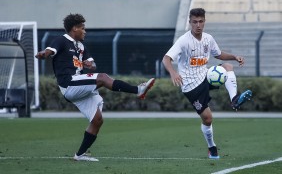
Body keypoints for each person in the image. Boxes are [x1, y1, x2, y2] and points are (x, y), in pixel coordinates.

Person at [35, 13, 155, 161]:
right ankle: (138, 90)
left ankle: (80, 155)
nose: (85, 31)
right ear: (74, 29)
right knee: (103, 77)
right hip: (69, 83)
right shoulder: (61, 40)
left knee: (97, 120)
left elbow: (92, 64)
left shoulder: (81, 46)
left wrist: (90, 64)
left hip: (78, 86)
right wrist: (43, 53)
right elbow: (50, 51)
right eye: (83, 28)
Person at [162, 8, 252, 159]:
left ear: (204, 22)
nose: (198, 25)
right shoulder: (184, 41)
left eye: (201, 21)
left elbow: (218, 54)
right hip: (191, 85)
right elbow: (166, 59)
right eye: (195, 22)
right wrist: (173, 73)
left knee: (228, 67)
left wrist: (234, 57)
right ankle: (212, 147)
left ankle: (234, 100)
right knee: (208, 118)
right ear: (190, 22)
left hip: (205, 75)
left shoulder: (208, 39)